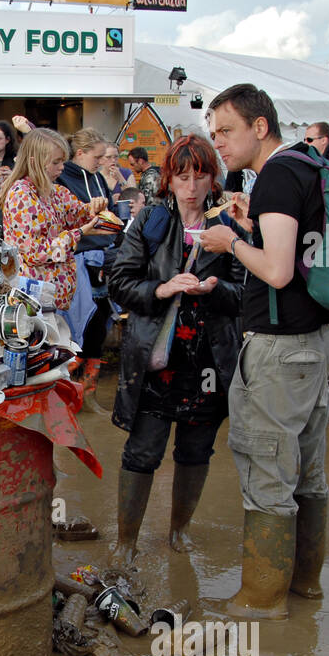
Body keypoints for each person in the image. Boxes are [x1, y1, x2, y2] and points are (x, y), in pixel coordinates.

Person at [199, 83, 329, 619]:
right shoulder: (309, 165)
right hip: (315, 341)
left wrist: (227, 242)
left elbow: (277, 272)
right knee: (307, 468)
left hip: (278, 350)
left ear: (260, 127)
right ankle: (305, 586)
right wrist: (250, 226)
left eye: (227, 131)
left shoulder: (278, 173)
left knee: (266, 469)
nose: (220, 145)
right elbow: (298, 253)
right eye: (214, 135)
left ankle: (261, 600)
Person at [108, 135, 245, 564]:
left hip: (209, 362)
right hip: (155, 359)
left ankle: (179, 532)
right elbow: (119, 283)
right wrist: (163, 288)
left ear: (212, 179)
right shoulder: (150, 220)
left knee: (196, 451)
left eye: (199, 176)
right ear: (168, 178)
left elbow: (249, 292)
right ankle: (126, 541)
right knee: (142, 451)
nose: (190, 186)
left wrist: (216, 288)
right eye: (181, 176)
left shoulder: (229, 228)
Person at [0, 127, 111, 313]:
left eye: (62, 161)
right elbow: (36, 253)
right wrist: (79, 233)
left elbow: (77, 213)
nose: (62, 167)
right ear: (35, 162)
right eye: (56, 162)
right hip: (32, 301)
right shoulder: (22, 195)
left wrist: (94, 208)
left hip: (50, 299)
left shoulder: (54, 191)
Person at [57, 128, 118, 412]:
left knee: (100, 317)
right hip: (76, 257)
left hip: (100, 257)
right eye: (97, 156)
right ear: (79, 153)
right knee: (76, 325)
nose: (101, 161)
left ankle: (87, 393)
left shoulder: (97, 179)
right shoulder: (63, 178)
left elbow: (111, 215)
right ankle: (70, 395)